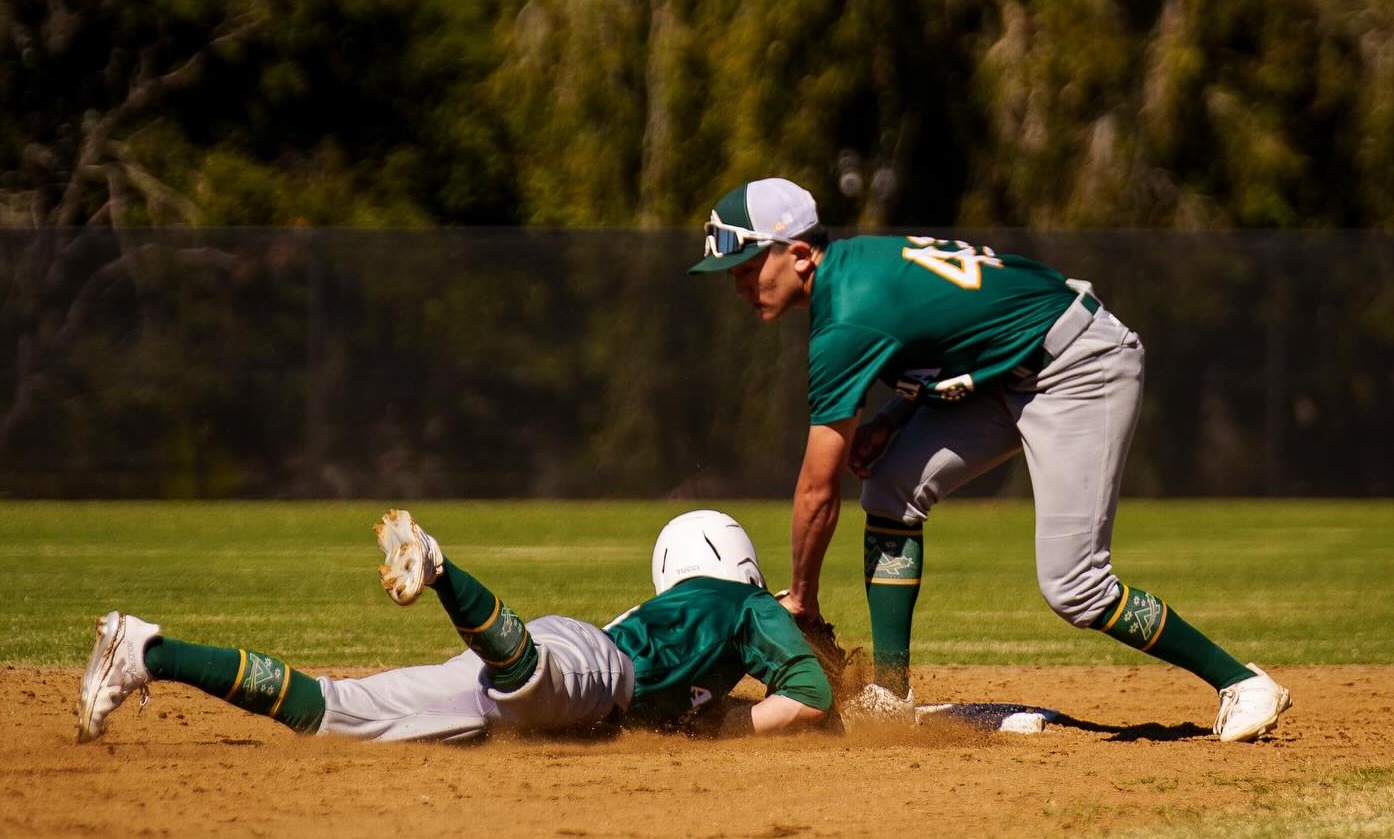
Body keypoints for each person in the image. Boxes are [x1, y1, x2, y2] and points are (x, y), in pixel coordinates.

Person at [687, 177, 1292, 742]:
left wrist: (802, 597)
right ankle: (892, 697)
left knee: (1075, 585)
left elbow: (817, 489)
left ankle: (1242, 682)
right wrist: (895, 418)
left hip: (1077, 365)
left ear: (797, 254)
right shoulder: (858, 269)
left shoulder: (845, 315)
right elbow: (958, 332)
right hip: (1008, 373)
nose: (738, 284)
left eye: (745, 264)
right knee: (892, 486)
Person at [76, 508, 834, 745]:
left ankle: (146, 648)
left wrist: (705, 712)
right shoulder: (747, 605)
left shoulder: (685, 606)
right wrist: (728, 724)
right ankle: (439, 566)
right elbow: (809, 696)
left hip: (546, 677)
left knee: (332, 711)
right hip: (592, 667)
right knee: (533, 674)